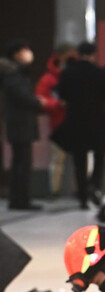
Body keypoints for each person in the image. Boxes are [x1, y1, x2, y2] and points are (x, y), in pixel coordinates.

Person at [54, 41, 105, 209]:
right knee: (99, 157)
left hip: (76, 120)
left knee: (79, 160)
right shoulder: (100, 72)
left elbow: (61, 94)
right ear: (93, 53)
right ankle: (95, 187)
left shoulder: (68, 73)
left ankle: (82, 196)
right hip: (97, 120)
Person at [2, 40, 45, 210]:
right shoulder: (12, 74)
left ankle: (20, 198)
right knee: (21, 163)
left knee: (21, 162)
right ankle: (20, 199)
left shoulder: (16, 73)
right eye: (24, 50)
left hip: (20, 123)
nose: (28, 53)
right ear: (16, 54)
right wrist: (36, 102)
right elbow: (21, 96)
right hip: (20, 124)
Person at [36, 44, 71, 197]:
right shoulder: (48, 78)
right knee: (58, 158)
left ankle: (79, 189)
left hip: (76, 122)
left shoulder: (73, 73)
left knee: (79, 159)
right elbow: (41, 99)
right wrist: (57, 104)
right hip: (58, 123)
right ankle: (54, 190)